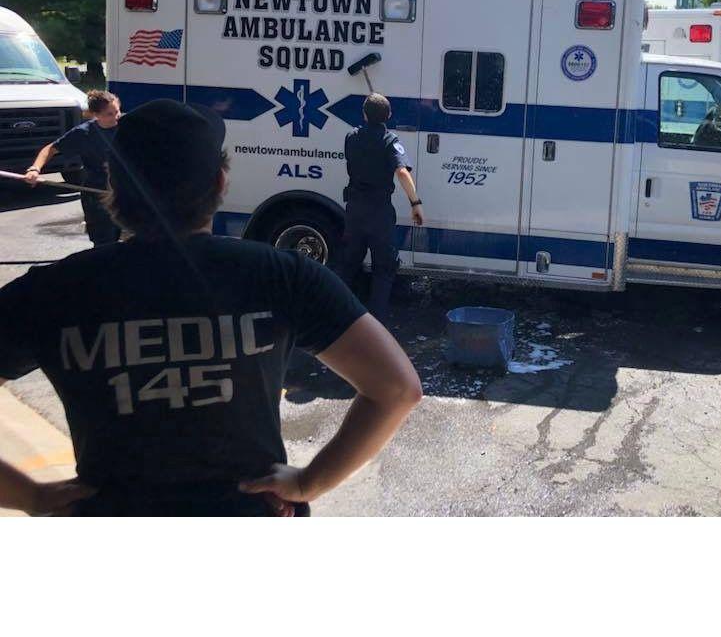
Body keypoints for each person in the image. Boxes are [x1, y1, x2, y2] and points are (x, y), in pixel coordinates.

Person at [0, 99, 421, 516]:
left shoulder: (54, 290)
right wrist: (310, 481)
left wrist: (30, 496)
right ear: (220, 182)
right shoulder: (282, 276)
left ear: (113, 183)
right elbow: (397, 389)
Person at [339, 93, 424, 321]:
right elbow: (402, 172)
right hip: (379, 213)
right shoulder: (390, 141)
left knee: (349, 266)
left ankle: (339, 317)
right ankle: (376, 326)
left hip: (355, 210)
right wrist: (415, 203)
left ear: (364, 114)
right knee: (383, 271)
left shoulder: (351, 138)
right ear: (389, 115)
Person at [25, 89, 121, 246]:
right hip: (96, 194)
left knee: (124, 236)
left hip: (122, 191)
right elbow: (50, 149)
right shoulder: (84, 134)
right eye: (109, 114)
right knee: (104, 241)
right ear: (96, 115)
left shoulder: (125, 127)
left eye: (117, 111)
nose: (115, 117)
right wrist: (35, 169)